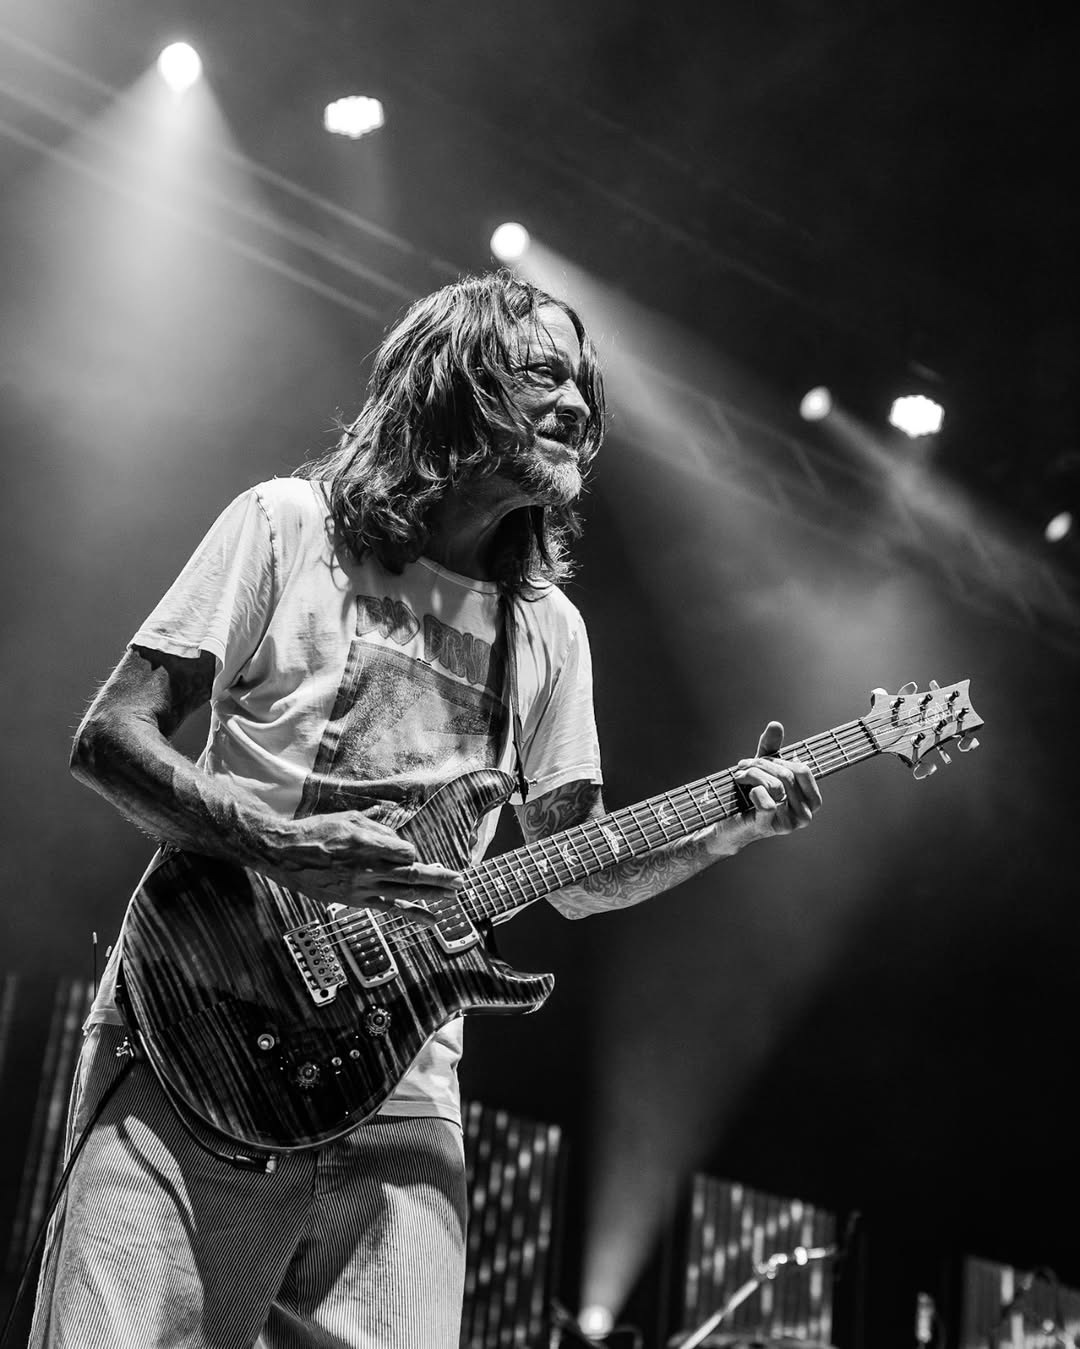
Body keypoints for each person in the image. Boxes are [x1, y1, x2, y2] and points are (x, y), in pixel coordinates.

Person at [30, 271, 821, 1349]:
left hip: (400, 1095)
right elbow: (110, 737)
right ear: (455, 381)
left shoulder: (548, 631)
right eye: (545, 374)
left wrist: (725, 828)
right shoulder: (288, 526)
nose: (578, 406)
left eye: (585, 387)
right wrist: (281, 844)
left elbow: (574, 870)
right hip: (196, 1031)